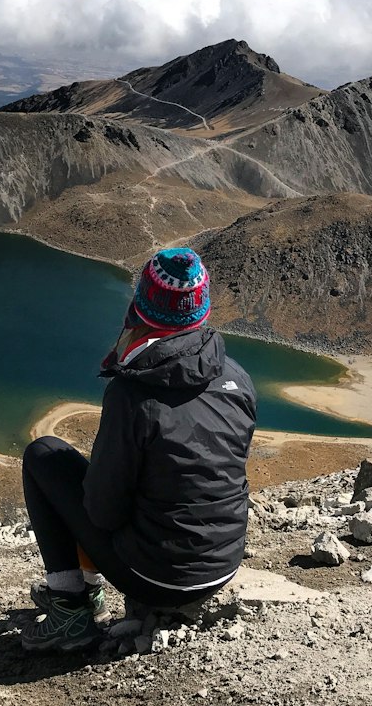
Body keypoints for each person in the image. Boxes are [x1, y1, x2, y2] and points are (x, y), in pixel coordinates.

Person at [20, 247, 257, 653]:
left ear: (142, 308)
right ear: (201, 311)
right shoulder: (236, 377)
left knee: (45, 455)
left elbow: (102, 511)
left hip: (159, 577)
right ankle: (93, 593)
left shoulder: (133, 394)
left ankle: (70, 609)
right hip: (222, 565)